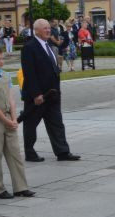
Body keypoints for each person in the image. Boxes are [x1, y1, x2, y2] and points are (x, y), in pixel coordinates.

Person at [20, 18, 81, 163]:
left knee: (56, 123)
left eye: (48, 28)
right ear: (36, 31)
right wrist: (36, 94)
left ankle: (63, 152)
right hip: (38, 95)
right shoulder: (29, 47)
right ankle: (30, 152)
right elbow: (29, 73)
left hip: (52, 94)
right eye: (45, 28)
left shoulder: (48, 44)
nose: (48, 30)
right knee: (31, 124)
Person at [0, 46, 34, 200]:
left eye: (2, 58)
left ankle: (20, 187)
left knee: (15, 152)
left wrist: (14, 119)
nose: (1, 62)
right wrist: (4, 120)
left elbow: (11, 98)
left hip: (8, 116)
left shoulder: (5, 75)